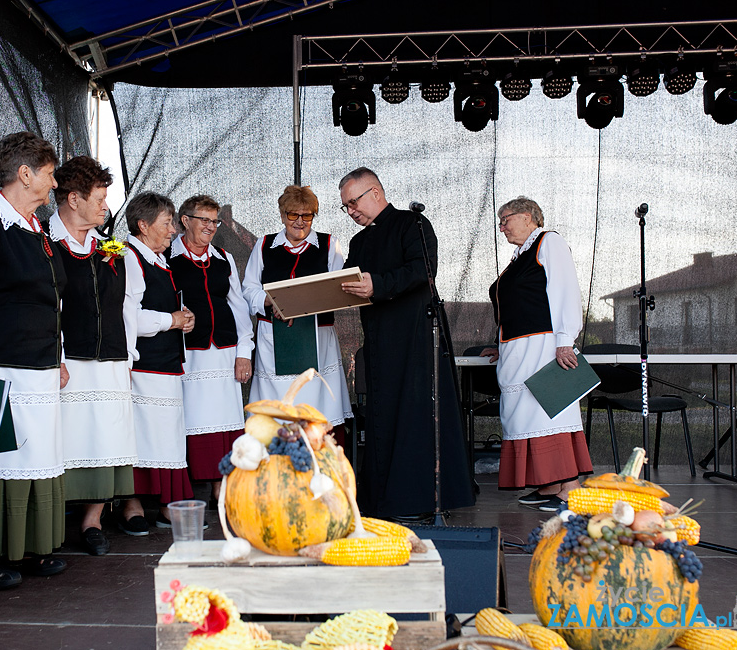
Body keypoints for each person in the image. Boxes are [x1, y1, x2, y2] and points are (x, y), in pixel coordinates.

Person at [340, 167, 475, 520]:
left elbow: (422, 271)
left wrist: (378, 285)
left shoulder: (411, 224)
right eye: (345, 207)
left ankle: (417, 501)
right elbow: (348, 282)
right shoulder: (358, 242)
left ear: (375, 193)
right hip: (380, 342)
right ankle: (382, 501)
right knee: (382, 417)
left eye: (353, 202)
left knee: (415, 417)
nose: (351, 211)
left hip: (417, 338)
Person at [0, 132, 68, 584]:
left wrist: (60, 354)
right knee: (1, 458)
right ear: (25, 173)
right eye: (50, 176)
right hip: (2, 364)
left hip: (41, 365)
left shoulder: (39, 230)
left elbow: (52, 299)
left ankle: (29, 547)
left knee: (37, 457)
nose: (54, 185)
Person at [479, 197, 593, 512]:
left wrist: (565, 339)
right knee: (524, 418)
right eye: (500, 221)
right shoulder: (521, 257)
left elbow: (565, 290)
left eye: (506, 219)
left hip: (543, 349)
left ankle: (570, 489)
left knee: (548, 413)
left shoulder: (549, 242)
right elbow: (519, 305)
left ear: (529, 217)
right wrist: (499, 343)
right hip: (517, 350)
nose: (501, 227)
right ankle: (549, 486)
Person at [49, 156, 138, 556]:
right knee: (67, 439)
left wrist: (129, 355)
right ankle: (50, 524)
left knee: (107, 438)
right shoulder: (47, 244)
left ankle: (93, 520)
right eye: (100, 198)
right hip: (72, 360)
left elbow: (127, 307)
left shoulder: (110, 248)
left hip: (112, 360)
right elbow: (46, 307)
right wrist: (58, 356)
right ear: (72, 199)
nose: (106, 206)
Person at [242, 185, 353, 432]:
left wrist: (307, 301)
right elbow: (248, 291)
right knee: (278, 413)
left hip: (317, 339)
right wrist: (271, 301)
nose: (300, 222)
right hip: (273, 340)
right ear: (283, 215)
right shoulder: (264, 245)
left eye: (307, 215)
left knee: (316, 407)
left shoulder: (328, 244)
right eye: (293, 215)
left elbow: (338, 288)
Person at [168, 195, 254, 503]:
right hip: (189, 354)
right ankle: (192, 491)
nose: (210, 226)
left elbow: (239, 306)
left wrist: (244, 351)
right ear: (185, 221)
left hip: (225, 351)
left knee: (227, 421)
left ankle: (222, 489)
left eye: (214, 221)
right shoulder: (167, 256)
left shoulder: (223, 257)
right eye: (203, 219)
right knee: (193, 421)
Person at [121, 192, 195, 534]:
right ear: (143, 225)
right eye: (167, 223)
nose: (172, 231)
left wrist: (182, 318)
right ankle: (132, 504)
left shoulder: (158, 260)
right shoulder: (129, 258)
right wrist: (172, 320)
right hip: (143, 364)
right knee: (141, 436)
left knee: (165, 436)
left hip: (165, 361)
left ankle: (167, 505)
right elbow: (129, 316)